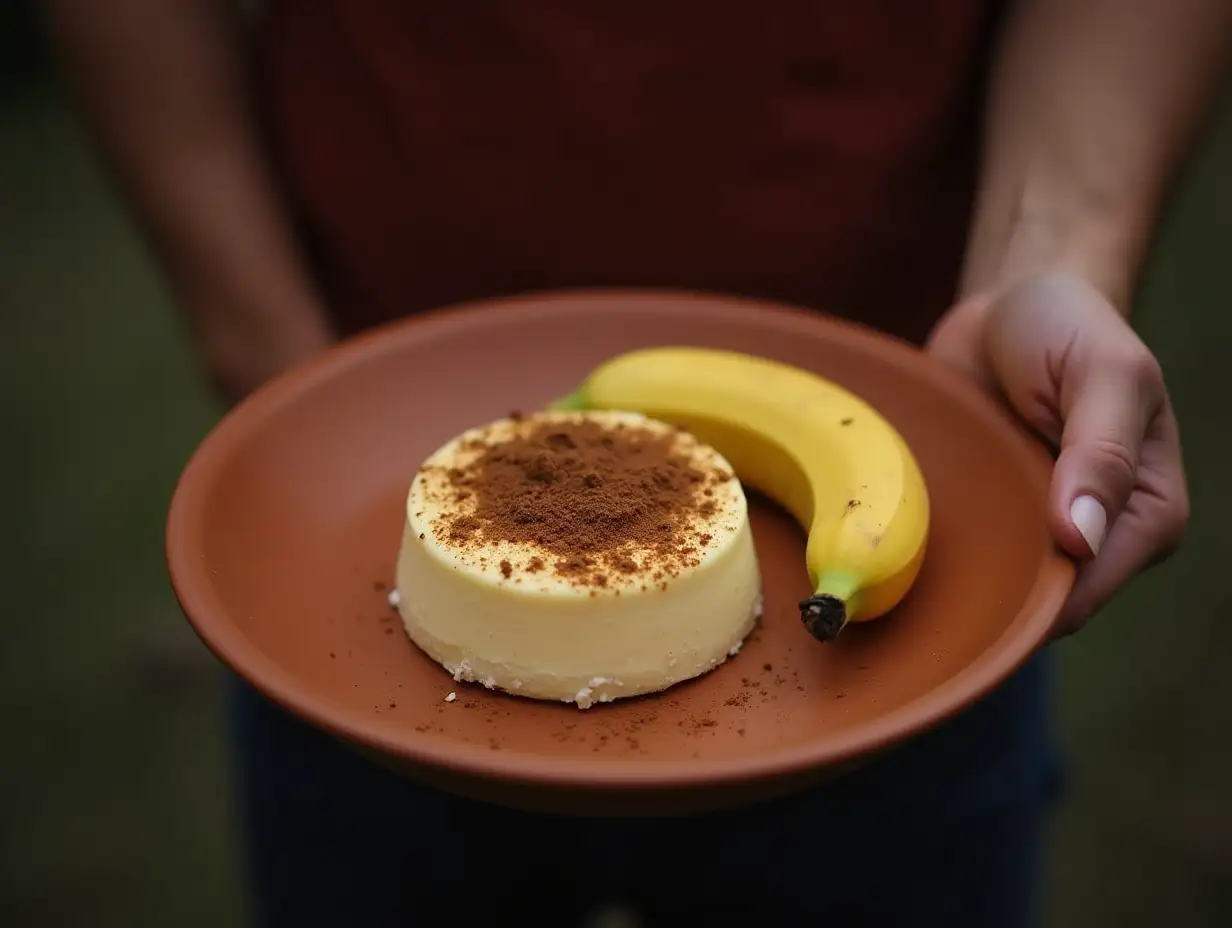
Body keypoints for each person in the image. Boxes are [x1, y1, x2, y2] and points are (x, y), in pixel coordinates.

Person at [46, 1, 1226, 924]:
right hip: (351, 596)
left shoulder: (862, 541)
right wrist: (262, 345)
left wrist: (1053, 248)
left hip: (909, 576)